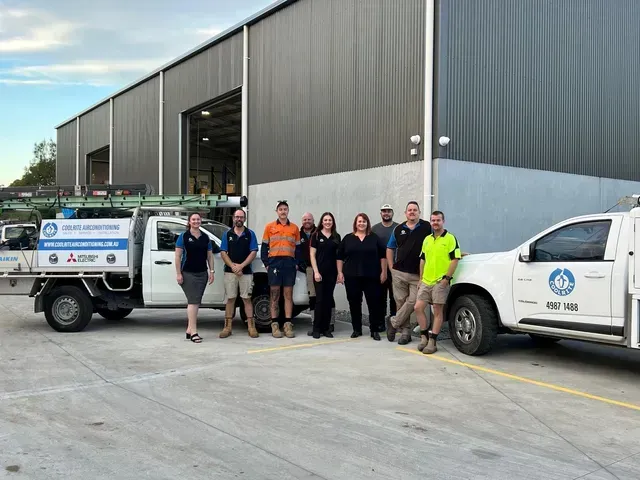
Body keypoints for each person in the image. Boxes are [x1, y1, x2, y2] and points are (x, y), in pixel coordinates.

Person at [414, 210, 461, 354]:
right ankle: (424, 337)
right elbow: (423, 259)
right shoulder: (427, 239)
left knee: (437, 311)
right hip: (426, 281)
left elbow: (455, 259)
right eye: (433, 220)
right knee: (418, 307)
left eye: (438, 220)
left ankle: (433, 341)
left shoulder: (450, 238)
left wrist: (446, 279)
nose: (435, 223)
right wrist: (421, 279)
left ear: (443, 221)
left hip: (440, 282)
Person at [385, 201, 432, 345]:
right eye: (409, 210)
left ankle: (393, 322)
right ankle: (405, 332)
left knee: (413, 302)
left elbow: (437, 242)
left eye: (415, 210)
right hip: (399, 272)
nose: (412, 212)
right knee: (400, 302)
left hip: (417, 274)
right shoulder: (398, 229)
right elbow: (389, 248)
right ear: (405, 213)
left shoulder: (426, 227)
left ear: (419, 212)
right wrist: (391, 268)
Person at [337, 213, 387, 340]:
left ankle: (374, 330)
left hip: (372, 276)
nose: (361, 224)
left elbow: (383, 256)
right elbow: (339, 257)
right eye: (359, 221)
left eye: (364, 221)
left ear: (367, 223)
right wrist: (340, 272)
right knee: (354, 303)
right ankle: (356, 329)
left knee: (373, 303)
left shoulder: (374, 238)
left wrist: (384, 272)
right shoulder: (348, 238)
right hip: (352, 276)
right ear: (355, 223)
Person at [261, 200, 302, 338]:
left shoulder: (295, 228)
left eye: (285, 209)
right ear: (277, 211)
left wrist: (296, 263)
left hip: (289, 264)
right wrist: (267, 263)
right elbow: (264, 247)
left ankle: (288, 324)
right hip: (274, 263)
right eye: (280, 209)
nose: (283, 211)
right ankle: (274, 325)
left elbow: (299, 248)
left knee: (288, 295)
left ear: (288, 211)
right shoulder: (269, 227)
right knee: (274, 294)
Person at [175, 212, 215, 343]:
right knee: (193, 302)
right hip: (188, 273)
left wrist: (212, 271)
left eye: (198, 219)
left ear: (200, 221)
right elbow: (177, 256)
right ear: (189, 222)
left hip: (202, 273)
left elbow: (209, 256)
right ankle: (194, 332)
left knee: (196, 302)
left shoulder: (205, 237)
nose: (196, 221)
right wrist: (178, 273)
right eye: (193, 219)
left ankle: (189, 329)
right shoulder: (183, 236)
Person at [219, 209, 259, 338]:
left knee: (247, 299)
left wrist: (241, 266)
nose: (239, 219)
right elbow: (223, 252)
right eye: (237, 217)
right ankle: (227, 327)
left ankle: (251, 327)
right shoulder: (227, 234)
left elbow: (253, 252)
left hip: (246, 272)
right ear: (233, 218)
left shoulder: (250, 234)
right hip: (230, 272)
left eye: (241, 217)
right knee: (230, 299)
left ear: (245, 218)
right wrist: (233, 266)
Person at [309, 212, 341, 339]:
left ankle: (326, 329)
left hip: (331, 273)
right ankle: (316, 328)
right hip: (319, 273)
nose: (328, 222)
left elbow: (339, 256)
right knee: (319, 300)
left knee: (328, 300)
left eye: (330, 220)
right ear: (322, 222)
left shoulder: (336, 237)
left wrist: (339, 273)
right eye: (325, 220)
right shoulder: (315, 235)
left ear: (333, 222)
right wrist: (316, 272)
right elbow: (312, 255)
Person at [372, 204, 398, 322]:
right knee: (380, 296)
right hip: (379, 268)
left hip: (396, 267)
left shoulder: (398, 228)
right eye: (384, 211)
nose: (386, 213)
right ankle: (380, 322)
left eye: (388, 211)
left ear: (392, 213)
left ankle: (394, 320)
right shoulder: (374, 229)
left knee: (395, 296)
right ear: (381, 214)